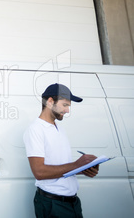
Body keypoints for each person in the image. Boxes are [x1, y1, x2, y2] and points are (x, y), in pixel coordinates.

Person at [23, 83, 99, 218]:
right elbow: (39, 172)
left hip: (72, 203)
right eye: (65, 105)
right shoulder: (36, 129)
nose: (68, 110)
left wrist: (83, 169)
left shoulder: (59, 129)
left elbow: (61, 166)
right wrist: (77, 165)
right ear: (51, 102)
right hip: (53, 205)